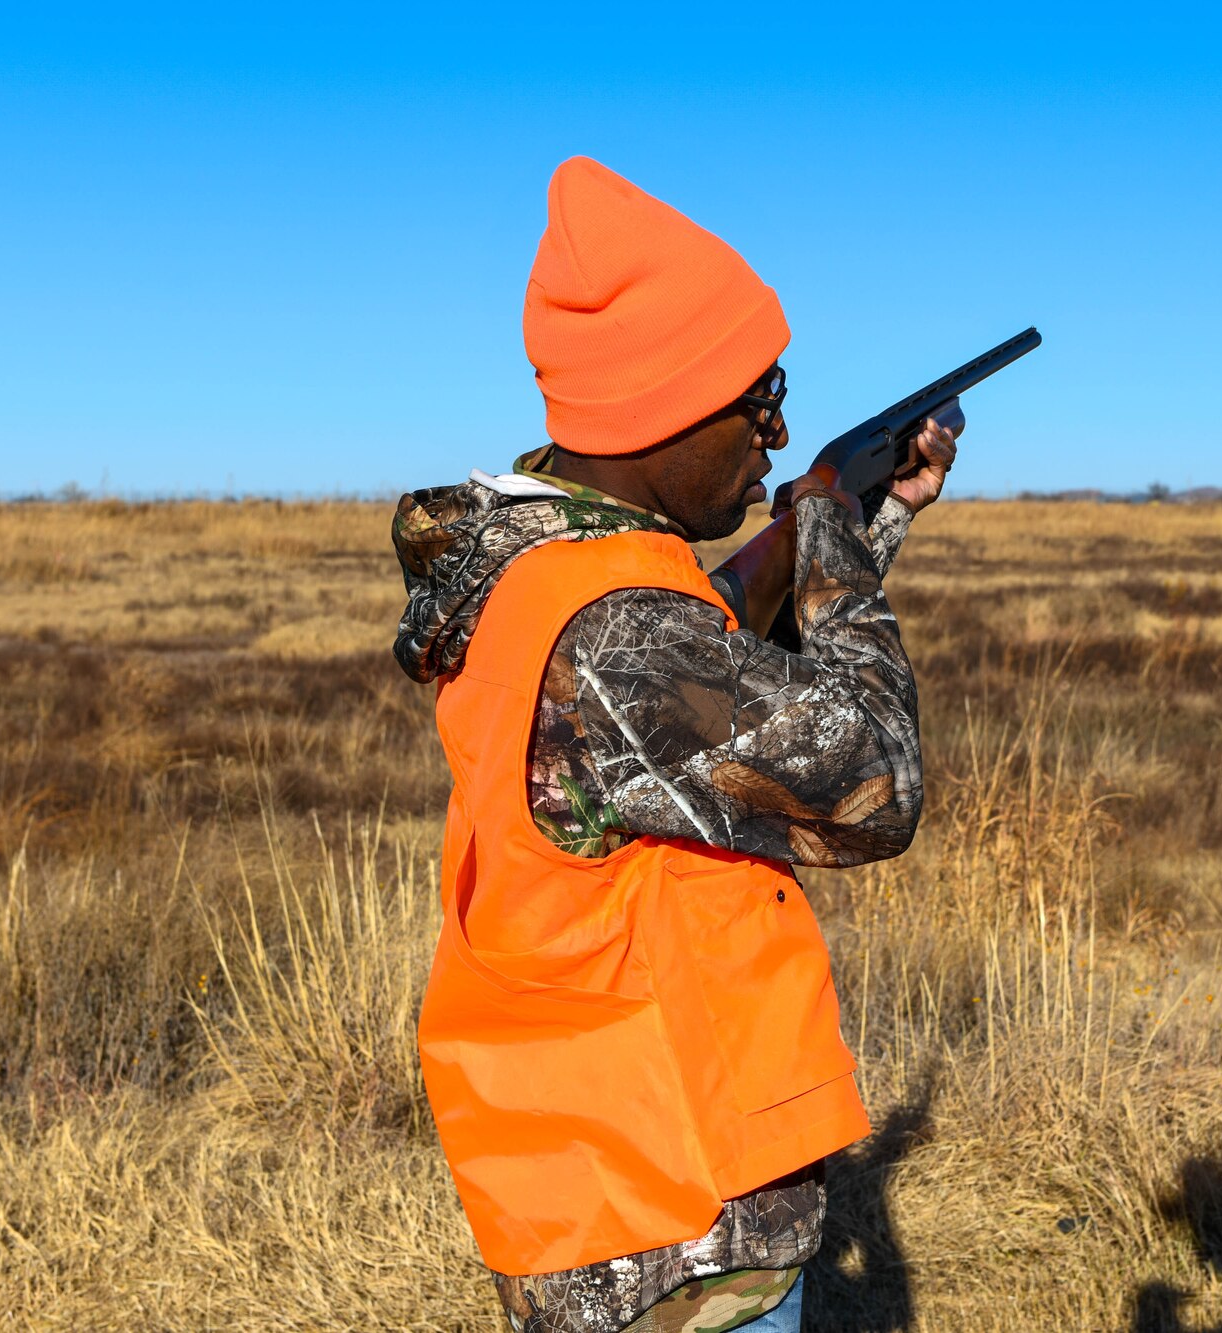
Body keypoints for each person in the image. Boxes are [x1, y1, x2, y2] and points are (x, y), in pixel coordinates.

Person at [390, 156, 957, 1333]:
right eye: (757, 401)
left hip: (619, 1174)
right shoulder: (619, 631)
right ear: (660, 406)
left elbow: (724, 678)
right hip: (664, 1210)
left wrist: (868, 511)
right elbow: (870, 781)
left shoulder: (561, 577)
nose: (776, 429)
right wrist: (835, 540)